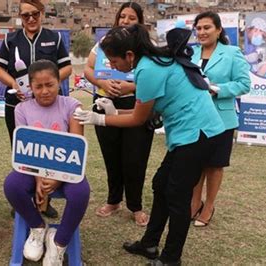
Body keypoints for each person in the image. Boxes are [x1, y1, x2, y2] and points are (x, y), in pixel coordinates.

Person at [74, 25, 226, 265]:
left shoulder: (147, 69)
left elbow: (138, 118)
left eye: (113, 60)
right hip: (189, 134)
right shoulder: (152, 61)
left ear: (130, 56)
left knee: (176, 196)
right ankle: (150, 244)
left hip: (199, 134)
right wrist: (113, 110)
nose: (111, 66)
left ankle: (170, 258)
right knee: (161, 185)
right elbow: (145, 109)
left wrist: (101, 119)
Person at [4, 60, 90, 266]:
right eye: (38, 86)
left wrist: (58, 179)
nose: (44, 91)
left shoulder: (72, 106)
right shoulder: (22, 109)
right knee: (12, 185)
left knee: (81, 193)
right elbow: (25, 153)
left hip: (66, 169)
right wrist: (39, 178)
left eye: (49, 84)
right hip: (34, 169)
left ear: (59, 82)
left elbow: (75, 147)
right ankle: (37, 227)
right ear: (30, 87)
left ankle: (59, 243)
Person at [0, 0, 72, 218]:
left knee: (50, 151)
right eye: (25, 15)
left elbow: (66, 66)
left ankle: (45, 199)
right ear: (19, 16)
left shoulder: (53, 38)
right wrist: (13, 84)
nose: (30, 19)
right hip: (17, 105)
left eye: (34, 14)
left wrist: (50, 84)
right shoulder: (11, 39)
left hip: (50, 106)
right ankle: (23, 197)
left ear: (42, 13)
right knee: (22, 151)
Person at [83, 1, 152, 226]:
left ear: (139, 22)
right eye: (123, 16)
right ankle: (114, 200)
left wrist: (130, 87)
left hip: (135, 104)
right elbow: (87, 69)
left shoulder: (146, 46)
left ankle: (136, 205)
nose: (125, 21)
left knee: (135, 158)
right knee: (111, 155)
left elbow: (151, 78)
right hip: (104, 101)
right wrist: (102, 81)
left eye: (131, 18)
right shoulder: (105, 42)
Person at [190, 12, 251, 227]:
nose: (202, 32)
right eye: (198, 28)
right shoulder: (190, 53)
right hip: (195, 118)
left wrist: (218, 89)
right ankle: (195, 202)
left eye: (207, 27)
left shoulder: (232, 53)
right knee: (195, 164)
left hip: (221, 119)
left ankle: (209, 206)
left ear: (218, 30)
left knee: (214, 165)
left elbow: (244, 84)